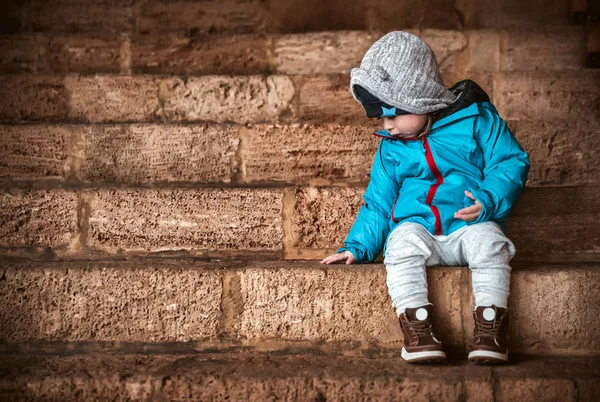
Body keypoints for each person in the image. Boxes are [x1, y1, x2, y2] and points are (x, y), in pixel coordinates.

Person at [320, 31, 530, 364]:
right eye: (382, 118)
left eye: (393, 114)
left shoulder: (477, 120)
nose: (387, 126)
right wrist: (357, 247)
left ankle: (490, 326)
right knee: (400, 244)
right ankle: (418, 328)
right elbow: (379, 201)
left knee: (490, 242)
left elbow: (509, 161)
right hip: (419, 228)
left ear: (419, 99)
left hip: (468, 222)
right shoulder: (391, 148)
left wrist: (487, 200)